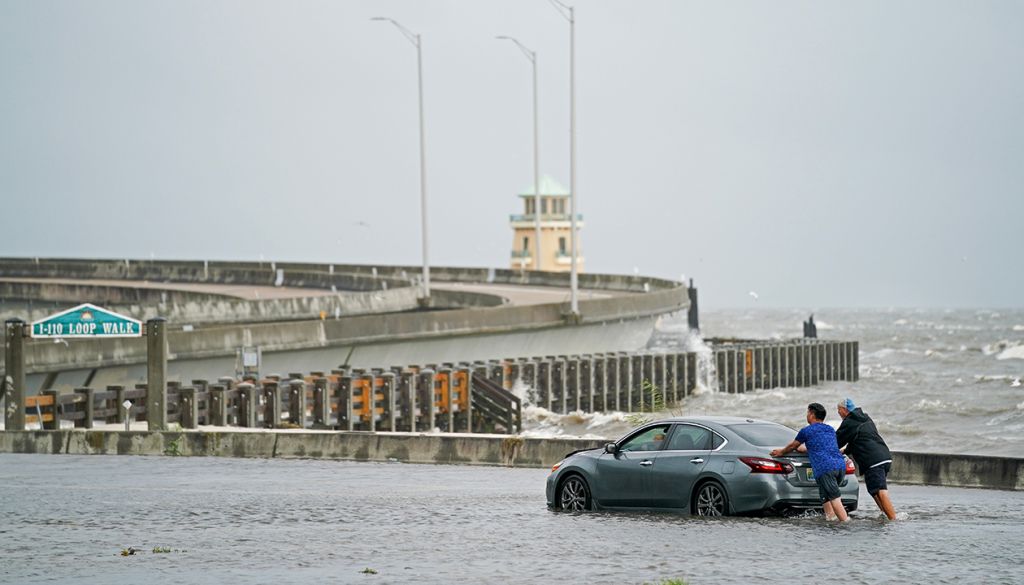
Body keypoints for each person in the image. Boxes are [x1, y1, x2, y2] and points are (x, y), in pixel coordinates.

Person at [771, 403, 850, 521]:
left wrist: (781, 452)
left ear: (812, 414)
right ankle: (831, 519)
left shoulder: (806, 431)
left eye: (808, 412)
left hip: (826, 468)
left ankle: (846, 524)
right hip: (840, 466)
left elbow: (793, 445)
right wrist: (804, 449)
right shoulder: (830, 430)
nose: (807, 415)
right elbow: (823, 447)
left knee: (835, 498)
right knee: (825, 496)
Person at [836, 398, 897, 520]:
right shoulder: (865, 417)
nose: (838, 413)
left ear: (844, 410)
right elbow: (858, 438)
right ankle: (885, 513)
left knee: (880, 489)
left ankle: (893, 519)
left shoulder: (849, 422)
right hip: (884, 456)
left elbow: (836, 440)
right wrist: (846, 451)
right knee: (873, 490)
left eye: (838, 410)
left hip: (873, 460)